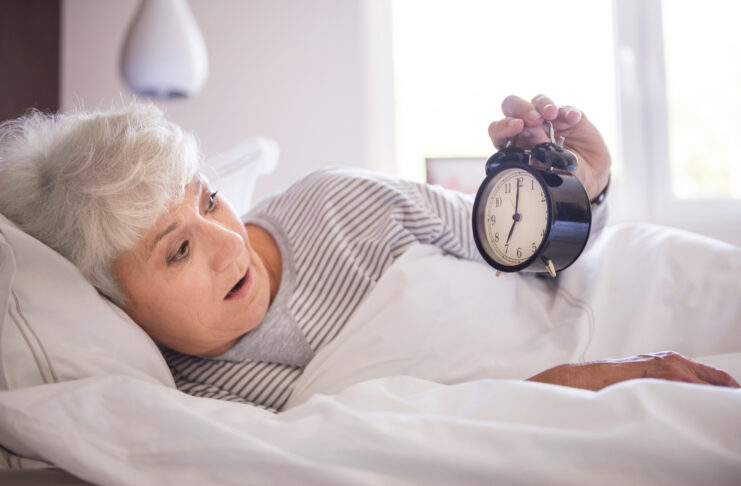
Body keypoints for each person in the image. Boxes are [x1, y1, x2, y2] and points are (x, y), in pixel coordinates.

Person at [0, 94, 736, 411]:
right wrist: (569, 387)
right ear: (111, 301)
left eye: (210, 199)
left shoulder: (339, 203)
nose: (229, 243)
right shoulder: (196, 401)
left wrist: (576, 190)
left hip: (637, 294)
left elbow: (526, 254)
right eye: (179, 250)